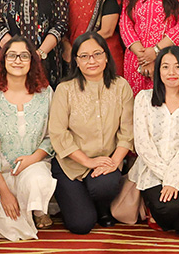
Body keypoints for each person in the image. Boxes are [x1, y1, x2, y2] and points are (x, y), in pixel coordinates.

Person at [50, 32, 136, 234]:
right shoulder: (65, 89)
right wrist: (88, 162)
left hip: (106, 161)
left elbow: (127, 131)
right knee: (81, 224)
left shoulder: (121, 86)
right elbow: (59, 134)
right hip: (71, 165)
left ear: (106, 56)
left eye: (97, 54)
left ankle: (102, 206)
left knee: (105, 186)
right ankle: (83, 203)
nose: (92, 61)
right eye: (84, 56)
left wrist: (114, 162)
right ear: (76, 61)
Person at [0, 37, 58, 240]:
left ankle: (37, 210)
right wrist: (4, 192)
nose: (18, 60)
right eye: (12, 55)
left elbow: (52, 136)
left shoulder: (45, 93)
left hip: (34, 167)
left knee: (38, 180)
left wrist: (32, 159)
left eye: (24, 56)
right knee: (11, 231)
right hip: (0, 173)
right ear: (3, 60)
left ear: (32, 61)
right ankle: (22, 208)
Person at [131, 46, 179, 238]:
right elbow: (143, 144)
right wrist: (169, 180)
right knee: (168, 207)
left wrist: (176, 179)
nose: (171, 72)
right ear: (158, 70)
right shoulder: (144, 99)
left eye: (177, 67)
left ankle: (178, 206)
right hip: (153, 168)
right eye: (165, 67)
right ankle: (153, 209)